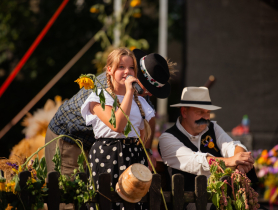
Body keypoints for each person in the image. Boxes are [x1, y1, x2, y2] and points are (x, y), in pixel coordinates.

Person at [45, 48, 175, 209]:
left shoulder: (138, 93)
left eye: (152, 91)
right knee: (71, 196)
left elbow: (149, 120)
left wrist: (146, 151)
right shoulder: (101, 89)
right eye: (147, 88)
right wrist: (128, 92)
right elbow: (117, 125)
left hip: (110, 146)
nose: (148, 93)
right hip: (70, 136)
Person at [81, 47, 158, 210]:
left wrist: (148, 154)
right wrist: (129, 92)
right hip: (107, 155)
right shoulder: (98, 97)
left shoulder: (142, 103)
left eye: (131, 68)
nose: (127, 71)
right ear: (109, 70)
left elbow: (144, 135)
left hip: (134, 157)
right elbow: (117, 125)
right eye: (121, 67)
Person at [158, 86, 257, 210]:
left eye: (208, 112)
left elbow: (233, 146)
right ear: (184, 112)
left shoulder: (212, 127)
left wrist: (241, 160)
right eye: (200, 112)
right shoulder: (167, 138)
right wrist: (231, 161)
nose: (206, 117)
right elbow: (196, 161)